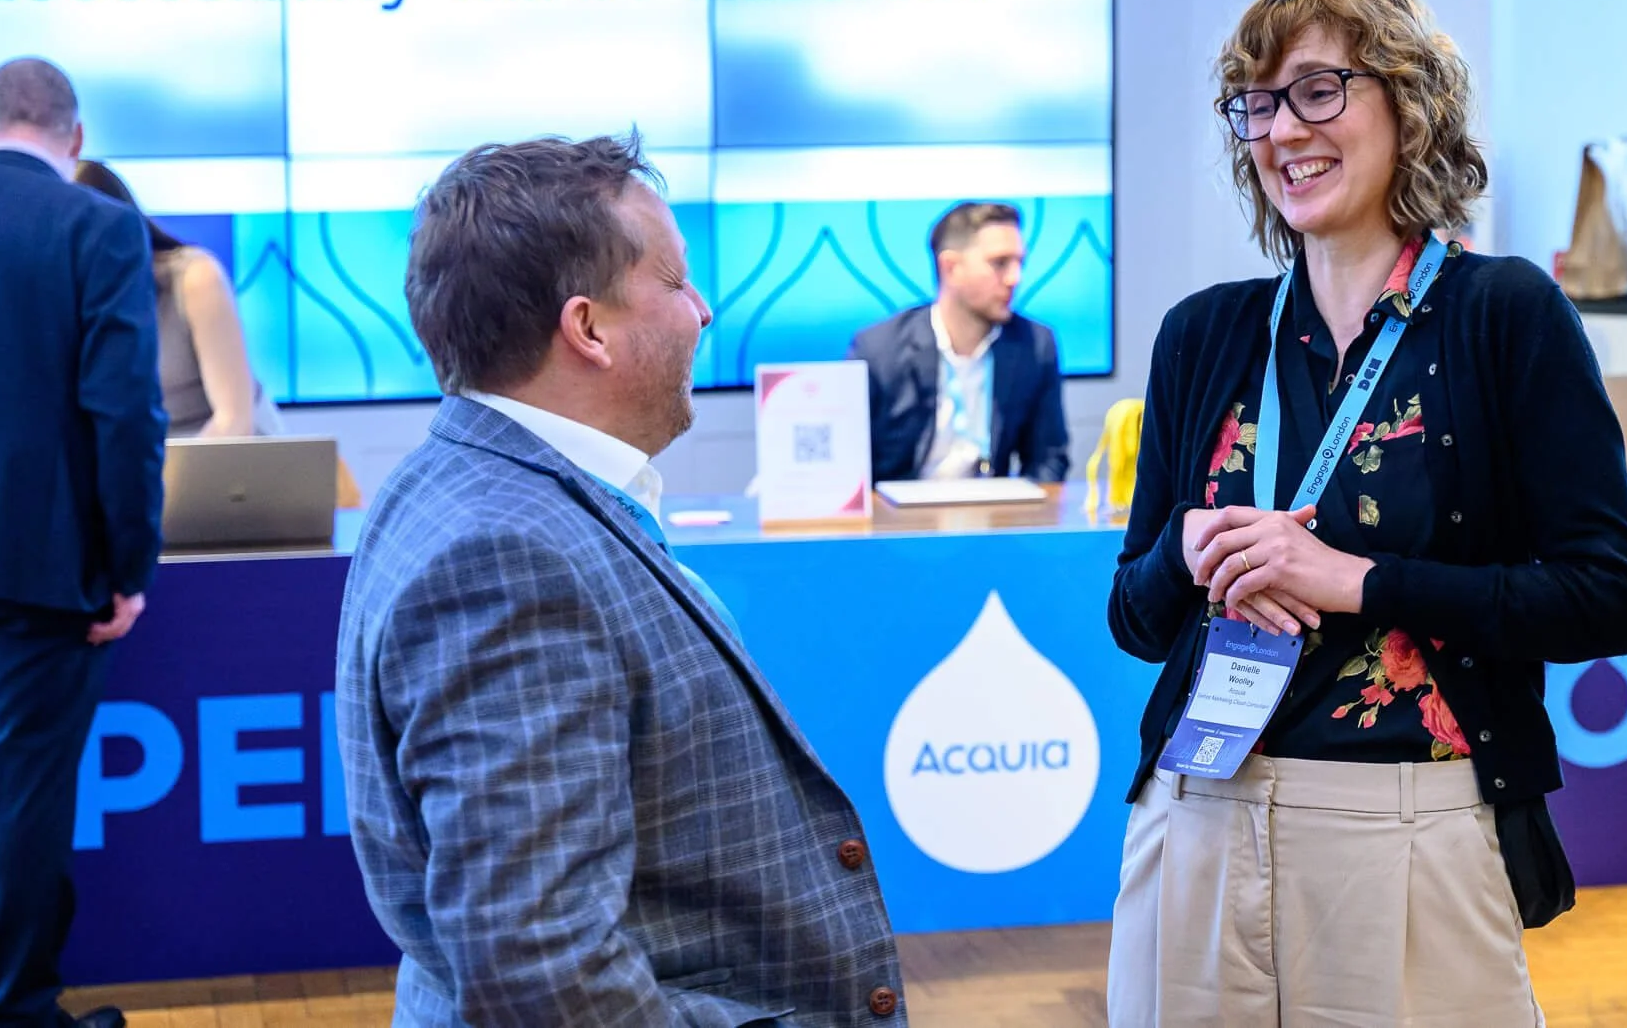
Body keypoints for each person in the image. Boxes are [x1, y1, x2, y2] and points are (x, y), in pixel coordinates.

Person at [1105, 0, 1627, 1026]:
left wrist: (1353, 580)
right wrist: (1185, 546)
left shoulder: (1504, 314)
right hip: (1196, 816)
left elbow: (1603, 598)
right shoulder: (1203, 334)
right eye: (1258, 104)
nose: (1282, 130)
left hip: (1406, 828)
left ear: (1409, 104)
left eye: (1318, 90)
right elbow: (1134, 618)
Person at [335, 134, 905, 1027]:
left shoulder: (473, 482)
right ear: (588, 327)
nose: (703, 311)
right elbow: (540, 970)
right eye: (676, 282)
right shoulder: (507, 554)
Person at [0, 59, 164, 1028]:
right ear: (74, 140)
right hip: (41, 566)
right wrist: (127, 566)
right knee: (24, 788)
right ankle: (15, 1007)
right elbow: (123, 412)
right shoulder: (97, 224)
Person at [849, 201, 1068, 483]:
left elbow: (1049, 459)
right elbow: (851, 470)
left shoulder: (1035, 345)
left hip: (994, 508)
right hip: (903, 507)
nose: (1015, 278)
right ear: (951, 268)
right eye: (1000, 263)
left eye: (1020, 263)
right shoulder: (879, 350)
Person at [71, 160, 272, 439]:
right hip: (146, 457)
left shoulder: (194, 278)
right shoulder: (58, 297)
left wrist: (164, 468)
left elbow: (235, 421)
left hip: (226, 455)